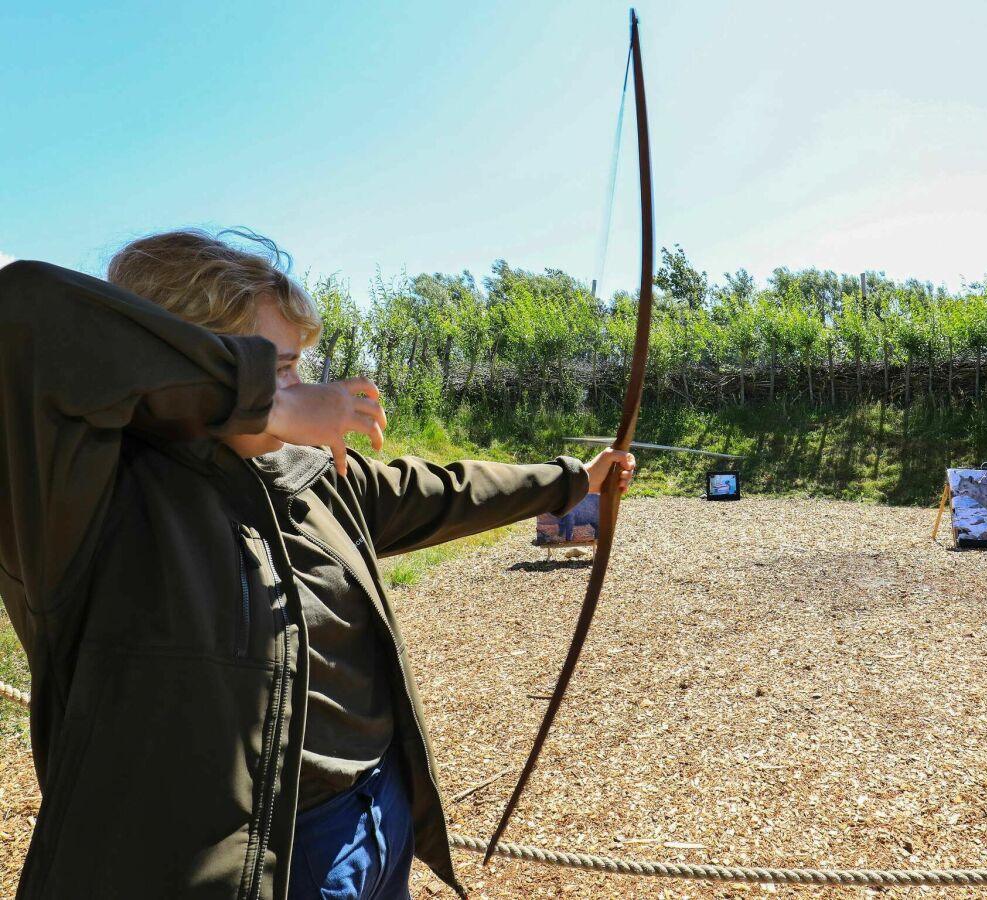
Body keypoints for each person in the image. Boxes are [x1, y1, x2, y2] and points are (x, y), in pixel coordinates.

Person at [0, 229, 636, 900]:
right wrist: (263, 400)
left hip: (373, 814)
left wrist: (576, 481)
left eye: (296, 368)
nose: (305, 390)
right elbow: (23, 308)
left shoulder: (309, 474)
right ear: (186, 355)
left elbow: (445, 491)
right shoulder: (82, 499)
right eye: (275, 369)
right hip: (262, 861)